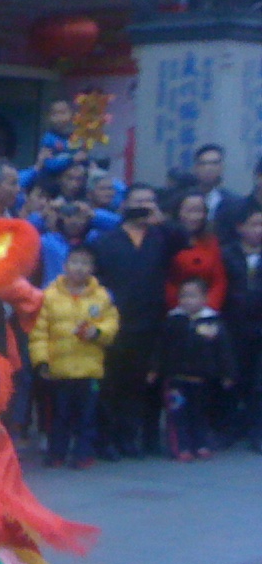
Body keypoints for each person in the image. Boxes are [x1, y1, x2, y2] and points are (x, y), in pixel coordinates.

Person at [93, 184, 171, 459]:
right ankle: (106, 440)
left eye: (149, 201)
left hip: (150, 321)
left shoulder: (162, 238)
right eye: (139, 201)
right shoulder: (106, 240)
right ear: (125, 205)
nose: (144, 207)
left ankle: (129, 438)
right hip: (116, 322)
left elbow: (185, 240)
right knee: (111, 384)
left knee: (139, 384)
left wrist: (161, 221)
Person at [31, 243, 118, 469]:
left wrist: (97, 332)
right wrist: (41, 361)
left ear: (92, 268)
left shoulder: (101, 297)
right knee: (59, 416)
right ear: (65, 265)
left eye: (85, 263)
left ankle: (83, 453)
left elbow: (111, 324)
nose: (79, 268)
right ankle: (56, 453)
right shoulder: (49, 296)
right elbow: (39, 332)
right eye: (75, 262)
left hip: (89, 370)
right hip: (59, 370)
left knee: (86, 416)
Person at [150, 277, 236, 461]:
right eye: (184, 296)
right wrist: (154, 368)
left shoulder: (212, 321)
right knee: (178, 414)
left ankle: (201, 443)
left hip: (202, 378)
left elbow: (223, 349)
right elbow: (161, 347)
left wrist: (227, 373)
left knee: (200, 413)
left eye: (193, 296)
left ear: (204, 298)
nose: (187, 300)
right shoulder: (173, 319)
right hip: (176, 378)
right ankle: (181, 446)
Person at [222, 205, 262, 450]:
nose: (259, 230)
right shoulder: (227, 254)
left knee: (259, 382)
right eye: (254, 224)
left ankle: (257, 429)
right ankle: (229, 427)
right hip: (233, 325)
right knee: (233, 376)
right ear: (240, 227)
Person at [193, 143, 243, 230]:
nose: (209, 168)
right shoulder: (182, 199)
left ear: (222, 167)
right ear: (195, 168)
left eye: (214, 163)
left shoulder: (235, 202)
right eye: (203, 163)